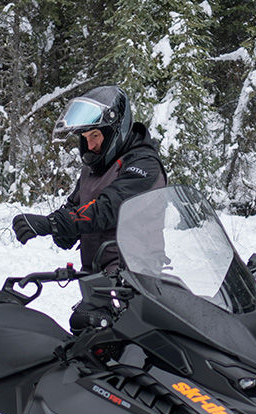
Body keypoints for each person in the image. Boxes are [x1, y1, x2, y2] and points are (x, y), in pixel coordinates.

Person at [11, 85, 167, 276]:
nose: (90, 144)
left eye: (95, 135)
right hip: (99, 279)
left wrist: (54, 223)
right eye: (85, 138)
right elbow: (75, 206)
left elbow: (108, 208)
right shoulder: (95, 166)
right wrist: (62, 230)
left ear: (114, 131)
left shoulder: (144, 165)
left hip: (137, 279)